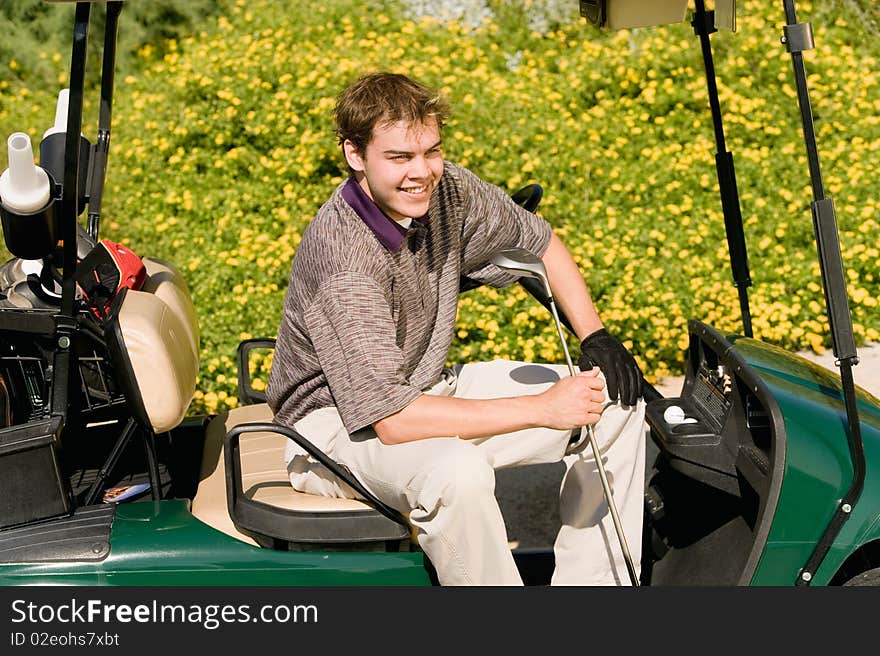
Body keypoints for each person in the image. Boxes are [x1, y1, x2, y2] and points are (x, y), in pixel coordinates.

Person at [267, 72, 647, 585]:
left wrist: (595, 337)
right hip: (332, 429)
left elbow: (539, 242)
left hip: (421, 390)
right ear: (355, 155)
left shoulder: (449, 192)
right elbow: (392, 422)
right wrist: (542, 408)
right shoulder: (345, 261)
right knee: (456, 473)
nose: (421, 172)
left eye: (431, 152)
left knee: (615, 401)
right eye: (400, 158)